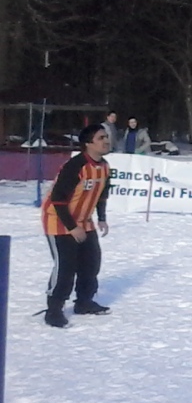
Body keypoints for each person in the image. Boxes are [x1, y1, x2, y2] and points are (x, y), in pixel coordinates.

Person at [41, 124, 113, 328]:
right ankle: (53, 309)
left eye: (106, 136)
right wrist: (72, 227)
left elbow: (102, 195)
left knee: (91, 262)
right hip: (59, 219)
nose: (106, 140)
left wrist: (101, 218)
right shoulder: (75, 165)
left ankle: (84, 302)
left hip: (84, 220)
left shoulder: (105, 166)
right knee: (66, 266)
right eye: (101, 138)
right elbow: (58, 198)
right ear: (88, 143)